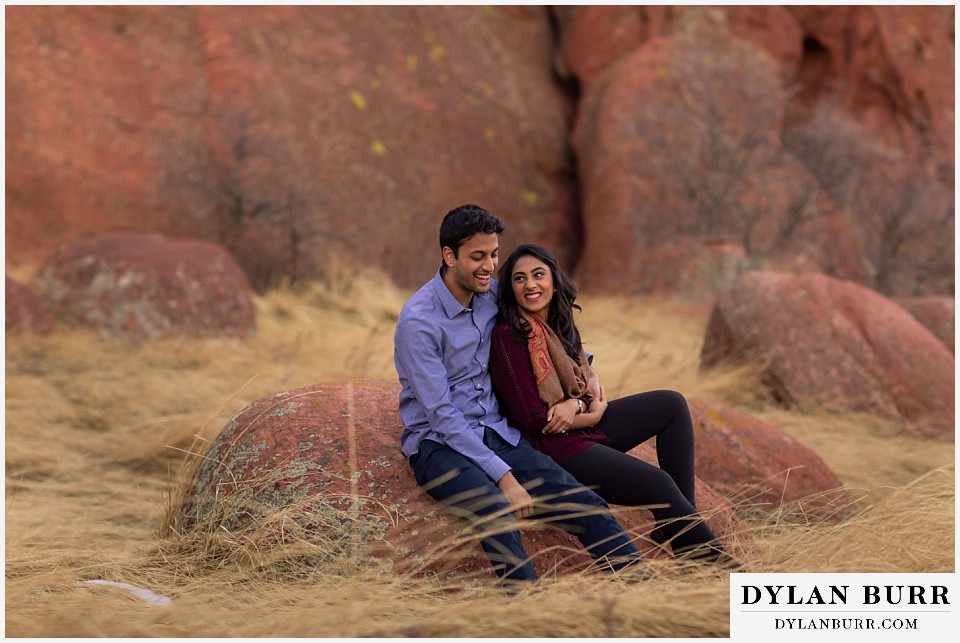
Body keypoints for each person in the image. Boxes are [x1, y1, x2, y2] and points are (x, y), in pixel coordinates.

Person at [394, 205, 647, 585]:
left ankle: (645, 600)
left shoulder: (492, 295)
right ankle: (531, 616)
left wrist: (588, 369)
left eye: (494, 254)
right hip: (438, 446)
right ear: (449, 256)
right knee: (496, 510)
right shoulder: (419, 322)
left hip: (499, 434)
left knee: (590, 508)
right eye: (477, 256)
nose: (489, 266)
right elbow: (442, 416)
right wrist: (506, 478)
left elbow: (546, 323)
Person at [489, 243, 738, 569]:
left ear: (553, 279)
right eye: (519, 279)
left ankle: (676, 526)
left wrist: (579, 403)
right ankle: (723, 574)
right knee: (659, 484)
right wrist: (591, 412)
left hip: (578, 426)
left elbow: (581, 380)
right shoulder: (510, 336)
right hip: (551, 447)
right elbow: (535, 420)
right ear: (510, 288)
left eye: (538, 275)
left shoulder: (558, 324)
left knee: (671, 405)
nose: (530, 285)